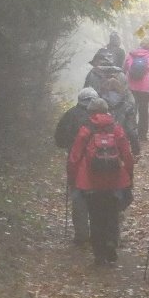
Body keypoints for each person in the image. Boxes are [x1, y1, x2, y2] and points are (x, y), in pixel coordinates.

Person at [68, 98, 134, 266]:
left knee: (95, 216)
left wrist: (72, 178)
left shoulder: (86, 130)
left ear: (91, 112)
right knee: (112, 213)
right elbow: (127, 154)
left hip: (91, 181)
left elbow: (74, 157)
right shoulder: (116, 128)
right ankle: (111, 241)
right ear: (106, 111)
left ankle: (99, 254)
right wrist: (129, 176)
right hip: (114, 179)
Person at [54, 86, 99, 245]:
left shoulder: (70, 115)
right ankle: (98, 234)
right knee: (97, 199)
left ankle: (81, 235)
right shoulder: (102, 117)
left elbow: (59, 139)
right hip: (100, 165)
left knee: (79, 198)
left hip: (76, 162)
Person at [124, 37, 149, 143]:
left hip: (131, 88)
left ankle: (131, 134)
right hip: (145, 89)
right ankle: (142, 136)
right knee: (143, 112)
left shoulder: (130, 55)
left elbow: (124, 69)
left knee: (132, 111)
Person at [103, 76, 140, 157]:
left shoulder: (103, 98)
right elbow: (130, 110)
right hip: (123, 125)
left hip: (109, 126)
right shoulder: (124, 97)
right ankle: (136, 153)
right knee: (132, 133)